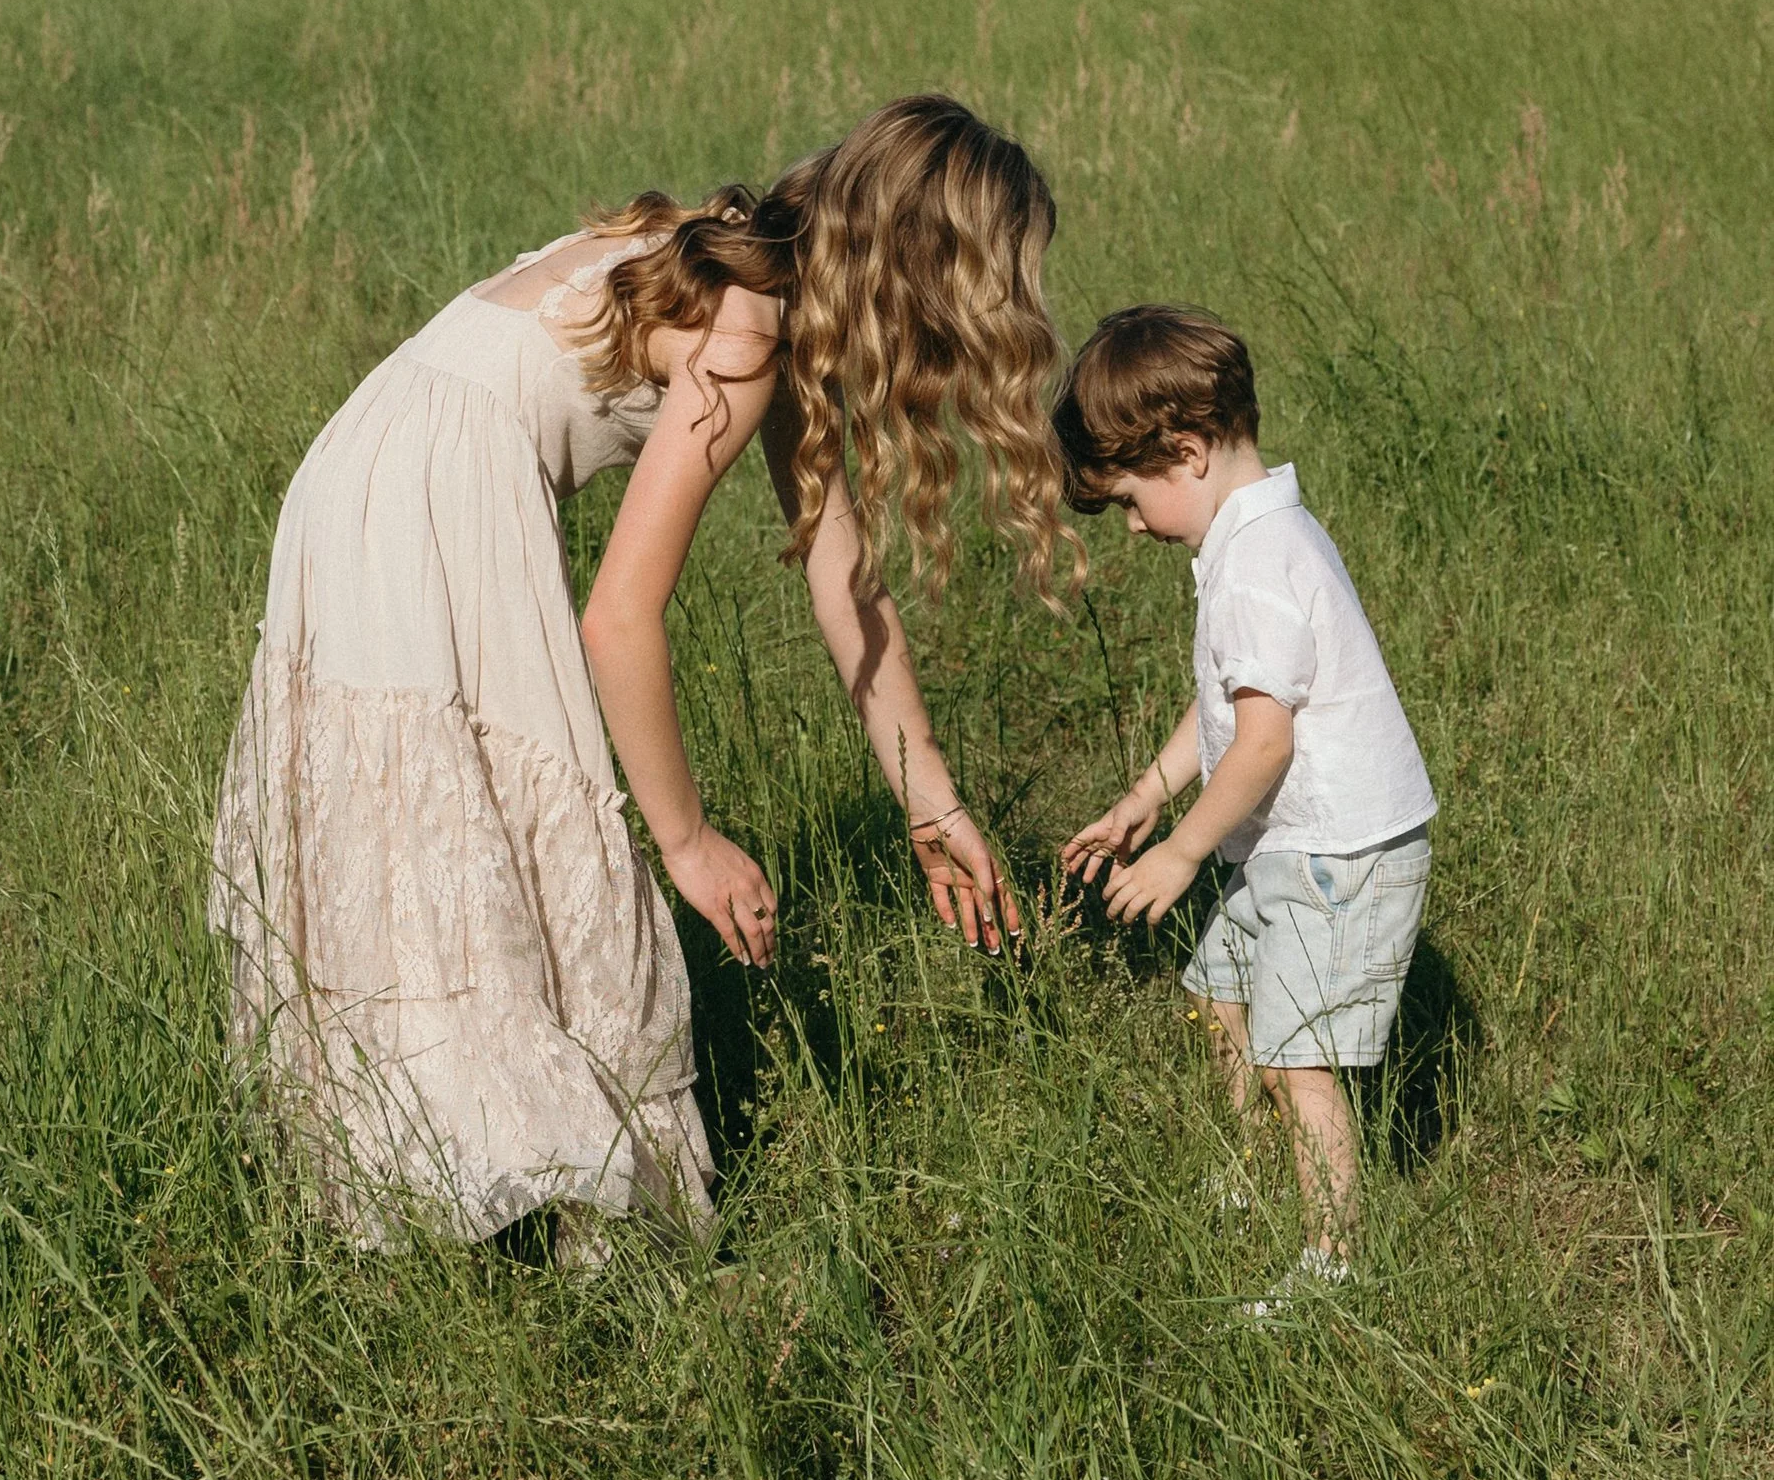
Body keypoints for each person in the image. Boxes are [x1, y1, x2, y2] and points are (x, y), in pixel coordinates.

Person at [209, 94, 1073, 1249]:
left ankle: (429, 1173)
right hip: (435, 493)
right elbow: (619, 616)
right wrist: (688, 844)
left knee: (424, 824)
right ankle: (541, 1194)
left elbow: (846, 585)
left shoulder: (739, 267)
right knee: (494, 822)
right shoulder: (747, 333)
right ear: (915, 275)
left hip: (357, 471)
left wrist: (932, 805)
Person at [1055, 307, 1435, 1302]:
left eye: (1130, 501)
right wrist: (1147, 794)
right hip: (1288, 846)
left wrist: (1179, 853)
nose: (1132, 527)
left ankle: (1334, 1260)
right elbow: (1229, 702)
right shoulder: (1252, 537)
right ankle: (1244, 1180)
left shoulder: (1258, 564)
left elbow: (1264, 740)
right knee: (1218, 995)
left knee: (1298, 1064)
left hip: (1336, 852)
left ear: (1182, 452)